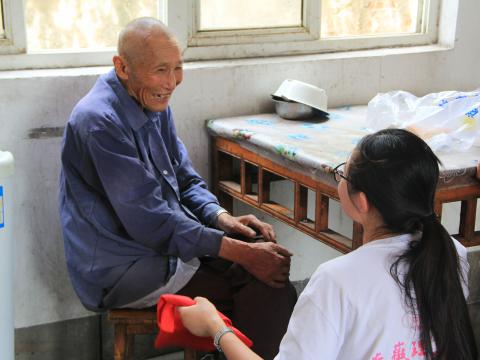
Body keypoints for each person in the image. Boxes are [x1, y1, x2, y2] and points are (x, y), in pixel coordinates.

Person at [58, 17, 296, 359]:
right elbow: (151, 223)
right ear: (122, 67)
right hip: (121, 268)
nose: (171, 82)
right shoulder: (100, 123)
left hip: (161, 246)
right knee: (261, 283)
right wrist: (240, 253)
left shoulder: (151, 100)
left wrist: (222, 218)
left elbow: (184, 179)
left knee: (260, 255)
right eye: (160, 70)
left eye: (178, 68)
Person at [178, 128, 478, 360]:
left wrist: (217, 328)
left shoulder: (337, 280)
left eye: (344, 172)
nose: (340, 178)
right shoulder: (452, 254)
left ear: (360, 201)